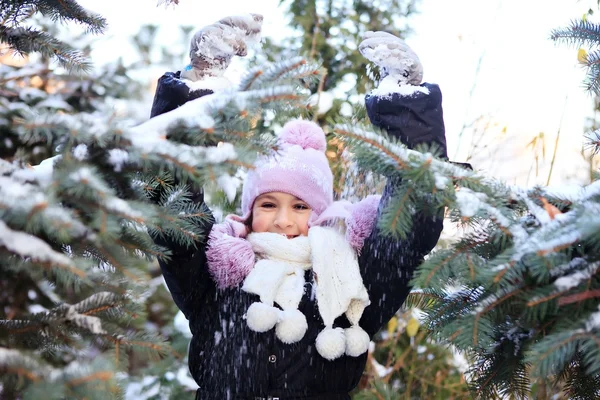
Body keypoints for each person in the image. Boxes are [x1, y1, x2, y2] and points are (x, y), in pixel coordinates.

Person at [150, 17, 447, 400]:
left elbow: (407, 230)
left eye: (301, 206)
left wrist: (407, 104)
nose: (283, 220)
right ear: (249, 210)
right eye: (269, 203)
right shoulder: (217, 274)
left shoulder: (349, 279)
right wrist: (197, 81)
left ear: (320, 215)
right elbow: (169, 204)